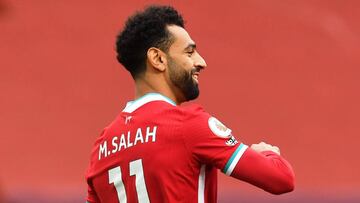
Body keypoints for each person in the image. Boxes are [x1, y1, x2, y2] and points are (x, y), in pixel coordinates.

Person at [85, 5, 295, 203]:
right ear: (158, 59)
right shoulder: (190, 126)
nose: (201, 62)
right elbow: (281, 179)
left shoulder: (101, 148)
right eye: (189, 52)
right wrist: (267, 154)